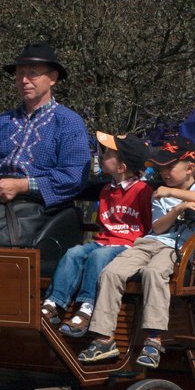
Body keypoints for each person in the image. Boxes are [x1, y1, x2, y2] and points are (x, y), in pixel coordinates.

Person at [76, 136, 195, 369]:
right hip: (152, 242)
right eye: (160, 167)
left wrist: (174, 196)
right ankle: (104, 338)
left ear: (190, 168)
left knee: (154, 272)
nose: (163, 172)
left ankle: (153, 339)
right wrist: (178, 208)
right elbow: (159, 227)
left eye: (169, 167)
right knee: (111, 272)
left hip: (180, 248)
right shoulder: (160, 191)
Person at [43, 133, 153, 337]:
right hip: (104, 241)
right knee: (74, 252)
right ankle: (54, 304)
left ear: (122, 167)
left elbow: (149, 226)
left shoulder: (143, 191)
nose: (101, 157)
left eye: (108, 154)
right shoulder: (106, 190)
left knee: (98, 256)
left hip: (129, 245)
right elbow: (104, 225)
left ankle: (87, 307)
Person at [0, 42, 90, 214]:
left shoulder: (69, 123)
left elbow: (73, 176)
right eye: (19, 74)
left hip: (43, 212)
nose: (24, 81)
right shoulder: (4, 121)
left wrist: (22, 186)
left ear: (53, 78)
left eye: (32, 74)